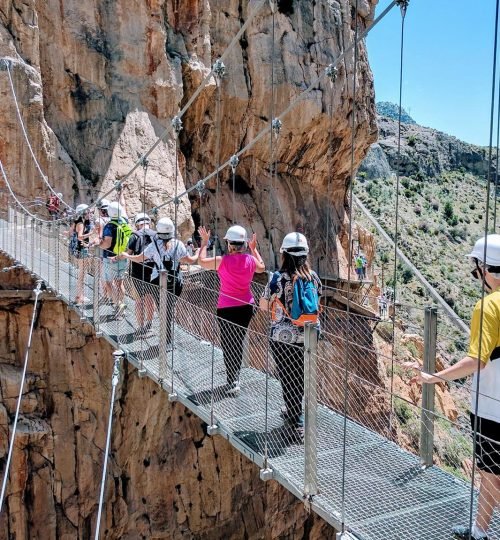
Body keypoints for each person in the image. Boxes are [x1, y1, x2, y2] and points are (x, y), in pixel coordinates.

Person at [410, 234, 500, 540]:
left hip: (492, 408)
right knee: (492, 476)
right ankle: (479, 531)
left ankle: (480, 533)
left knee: (490, 475)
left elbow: (477, 360)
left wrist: (434, 377)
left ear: (486, 269)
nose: (476, 276)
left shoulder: (487, 307)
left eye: (476, 270)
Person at [259, 232, 322, 437]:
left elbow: (262, 305)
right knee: (301, 375)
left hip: (282, 336)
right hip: (309, 334)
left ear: (284, 255)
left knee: (287, 376)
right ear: (305, 255)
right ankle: (295, 411)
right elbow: (317, 302)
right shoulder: (313, 277)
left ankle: (297, 420)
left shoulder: (277, 279)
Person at [198, 225, 265, 395]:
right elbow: (262, 267)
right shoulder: (250, 260)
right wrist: (254, 249)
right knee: (238, 340)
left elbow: (201, 262)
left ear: (229, 244)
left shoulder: (222, 261)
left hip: (226, 307)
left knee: (228, 343)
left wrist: (205, 242)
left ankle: (232, 379)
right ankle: (235, 376)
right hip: (247, 306)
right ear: (243, 244)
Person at [119, 217, 198, 347]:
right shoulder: (178, 244)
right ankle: (167, 339)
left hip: (157, 282)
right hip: (176, 283)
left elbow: (139, 258)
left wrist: (127, 255)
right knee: (168, 309)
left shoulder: (153, 245)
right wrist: (199, 251)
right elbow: (190, 260)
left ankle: (166, 339)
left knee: (163, 310)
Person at [95, 201, 130, 318]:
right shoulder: (125, 222)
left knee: (109, 282)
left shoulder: (109, 226)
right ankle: (122, 306)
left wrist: (98, 243)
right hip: (123, 257)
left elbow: (106, 244)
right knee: (120, 284)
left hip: (110, 258)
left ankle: (118, 305)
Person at [127, 213, 157, 336]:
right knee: (150, 299)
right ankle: (149, 325)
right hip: (153, 272)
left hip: (137, 272)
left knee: (139, 301)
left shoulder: (134, 236)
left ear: (137, 224)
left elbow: (129, 253)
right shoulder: (156, 235)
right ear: (149, 223)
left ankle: (140, 327)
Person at [70, 204, 92, 305]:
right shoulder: (81, 223)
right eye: (87, 212)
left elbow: (70, 232)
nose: (89, 214)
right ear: (83, 213)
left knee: (82, 273)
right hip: (82, 249)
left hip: (79, 249)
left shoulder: (76, 222)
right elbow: (80, 237)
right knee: (82, 274)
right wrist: (91, 233)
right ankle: (80, 297)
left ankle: (80, 295)